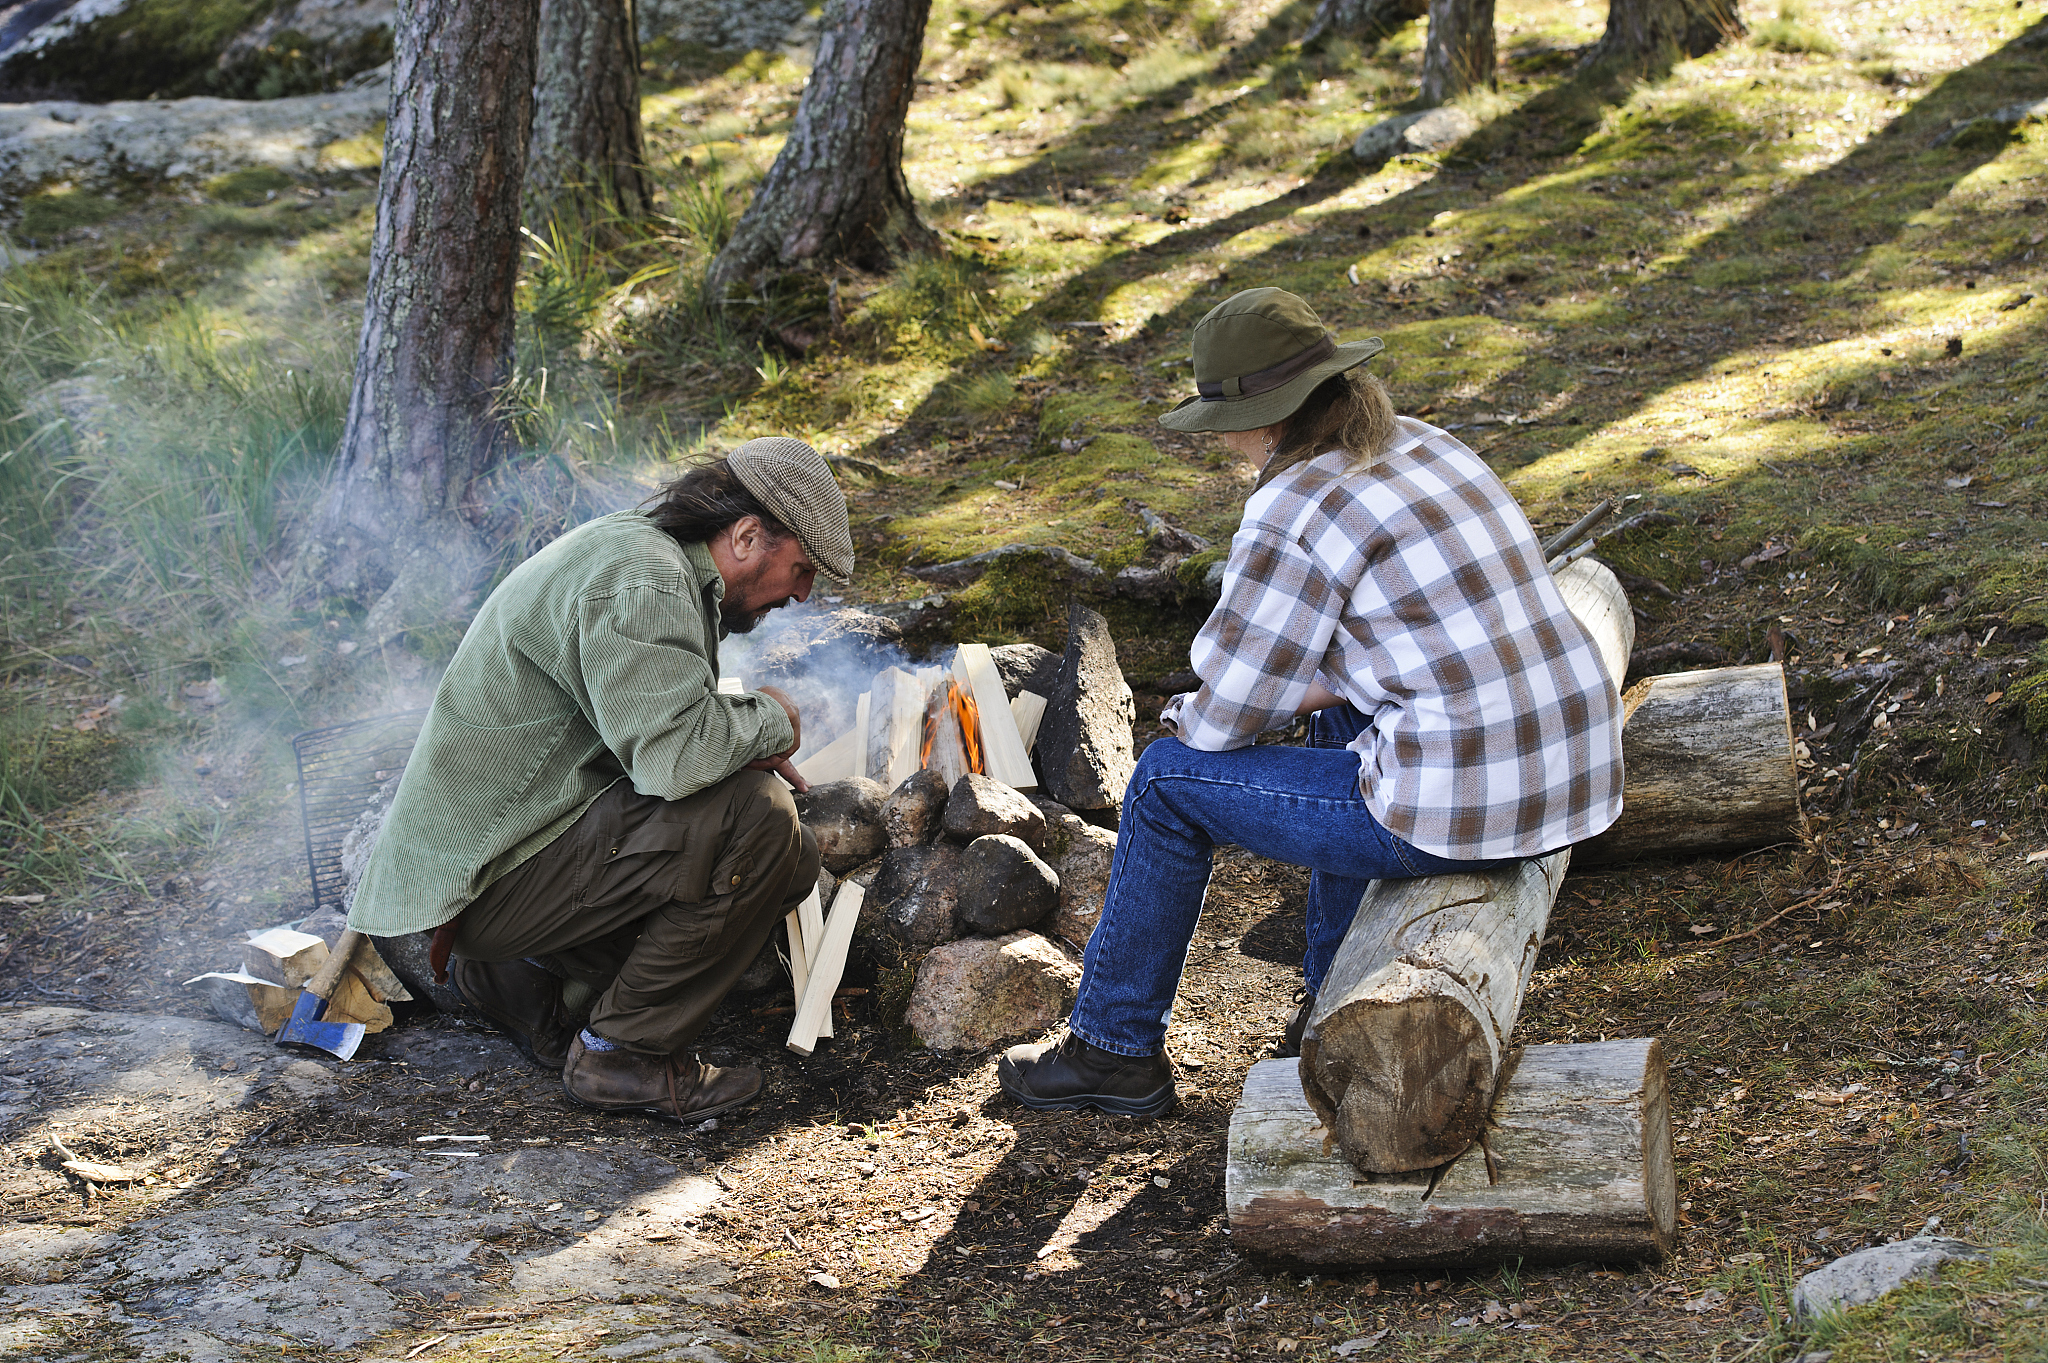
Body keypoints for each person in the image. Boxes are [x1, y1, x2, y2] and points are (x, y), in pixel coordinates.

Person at [997, 288, 1625, 1118]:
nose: (1222, 440)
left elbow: (1231, 703)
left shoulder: (1292, 506)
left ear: (1264, 419)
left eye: (1224, 423)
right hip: (1571, 774)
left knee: (1161, 783)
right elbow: (1395, 645)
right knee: (1336, 714)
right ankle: (1332, 996)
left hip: (1462, 807)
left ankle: (1113, 1048)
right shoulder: (1422, 443)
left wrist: (1184, 722)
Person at [346, 437, 853, 1123]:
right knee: (760, 816)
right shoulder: (645, 582)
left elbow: (654, 730)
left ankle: (525, 980)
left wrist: (731, 738)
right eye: (801, 568)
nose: (802, 592)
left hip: (506, 856)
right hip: (486, 879)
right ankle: (620, 1055)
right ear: (745, 536)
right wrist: (772, 719)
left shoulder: (644, 557)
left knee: (792, 859)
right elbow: (674, 763)